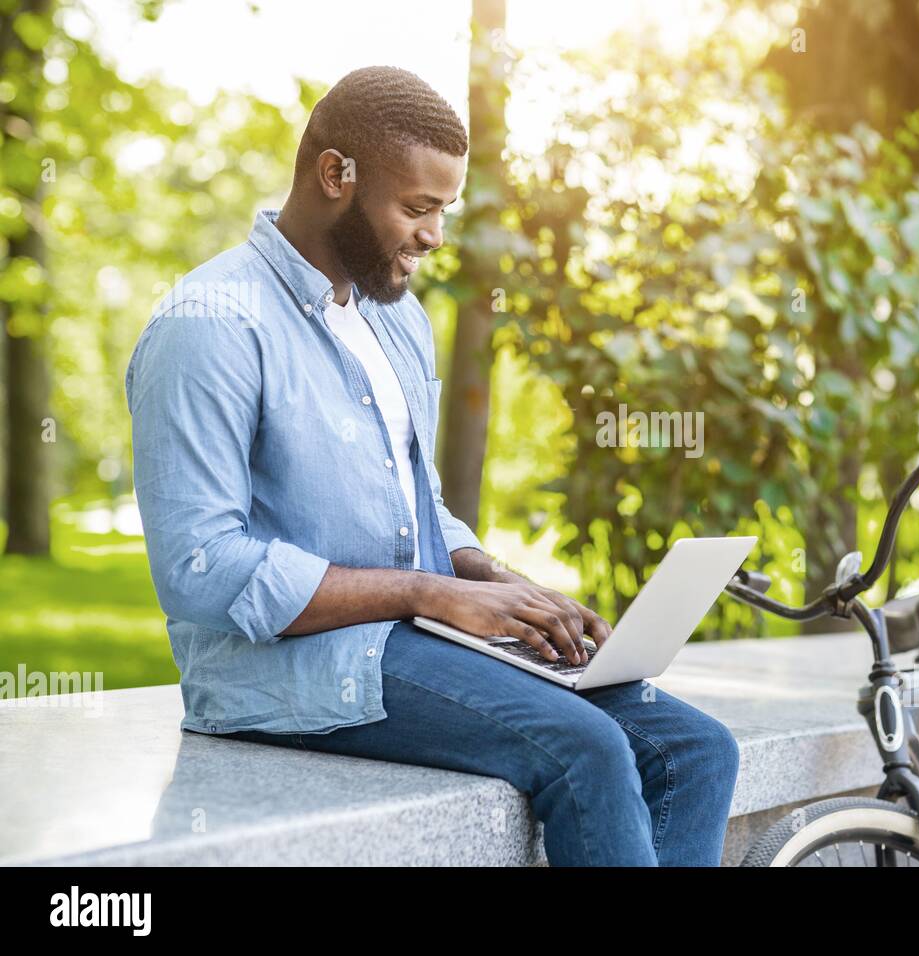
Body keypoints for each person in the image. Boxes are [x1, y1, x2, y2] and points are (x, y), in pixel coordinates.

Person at [125, 66, 740, 866]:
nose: (435, 236)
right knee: (584, 749)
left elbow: (418, 506)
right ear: (336, 174)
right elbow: (200, 569)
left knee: (696, 750)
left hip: (413, 644)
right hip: (282, 676)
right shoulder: (209, 325)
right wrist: (429, 593)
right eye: (418, 208)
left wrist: (496, 583)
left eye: (443, 210)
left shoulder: (398, 321)